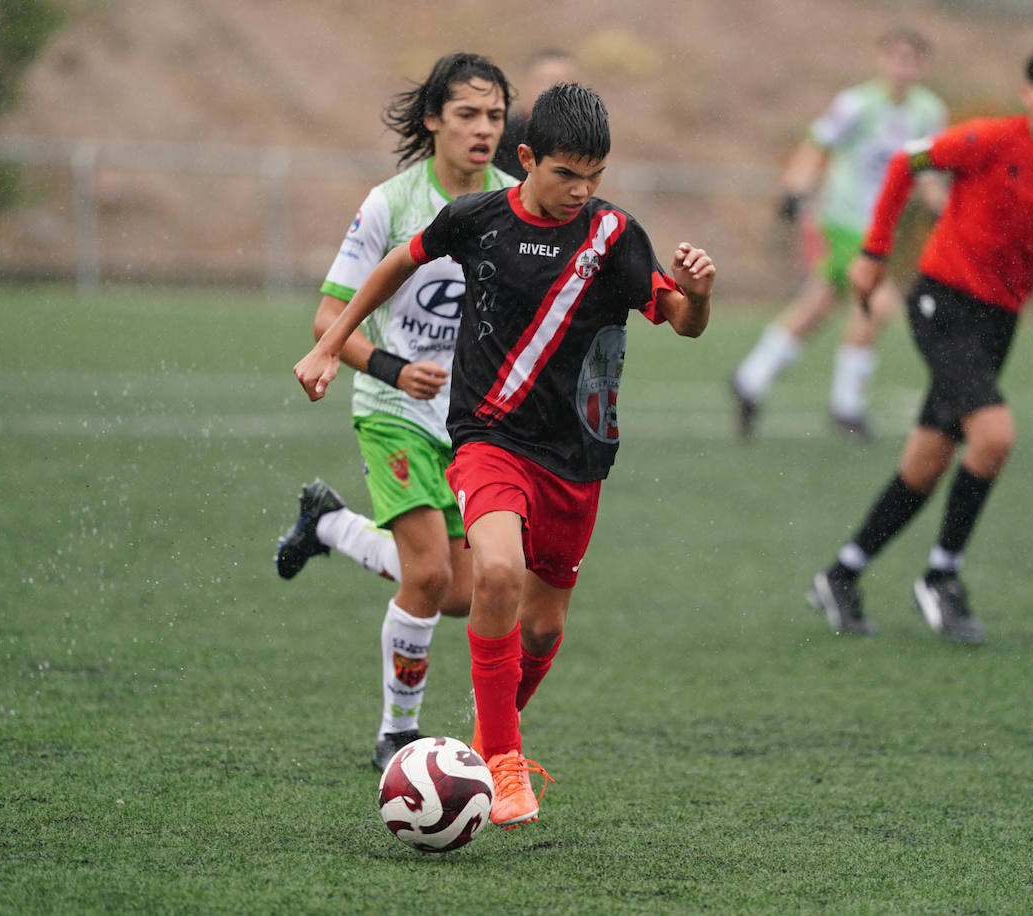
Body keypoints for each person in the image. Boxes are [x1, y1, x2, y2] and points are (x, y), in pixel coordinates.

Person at [293, 83, 715, 828]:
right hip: (489, 440)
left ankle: (483, 746)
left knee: (544, 628)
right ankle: (505, 764)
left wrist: (697, 293)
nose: (579, 191)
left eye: (594, 175)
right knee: (493, 574)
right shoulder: (479, 218)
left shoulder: (614, 236)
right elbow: (396, 263)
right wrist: (330, 347)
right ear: (527, 161)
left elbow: (683, 323)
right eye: (564, 175)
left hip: (577, 459)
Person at [806, 39, 1033, 644]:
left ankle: (840, 575)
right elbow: (905, 163)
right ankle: (941, 575)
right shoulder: (987, 139)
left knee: (927, 462)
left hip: (1000, 320)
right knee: (995, 436)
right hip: (942, 301)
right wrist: (874, 252)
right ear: (1026, 94)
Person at [274, 52, 519, 769]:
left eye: (495, 117)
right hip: (392, 410)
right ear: (433, 120)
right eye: (468, 115)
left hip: (476, 425)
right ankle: (397, 733)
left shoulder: (517, 201)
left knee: (458, 592)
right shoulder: (392, 204)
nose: (483, 130)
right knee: (430, 576)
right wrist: (389, 367)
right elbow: (326, 317)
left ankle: (330, 523)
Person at [731, 27, 947, 441]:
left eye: (911, 59)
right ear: (882, 60)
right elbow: (818, 144)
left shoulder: (927, 112)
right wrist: (795, 188)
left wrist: (942, 213)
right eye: (896, 57)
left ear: (923, 65)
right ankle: (846, 405)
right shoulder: (857, 104)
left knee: (819, 304)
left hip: (882, 228)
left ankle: (749, 379)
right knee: (878, 304)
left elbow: (926, 172)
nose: (902, 67)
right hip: (843, 220)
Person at [493, 48, 579, 181]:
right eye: (541, 81)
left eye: (560, 83)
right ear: (524, 84)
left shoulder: (582, 140)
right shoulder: (500, 135)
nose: (549, 90)